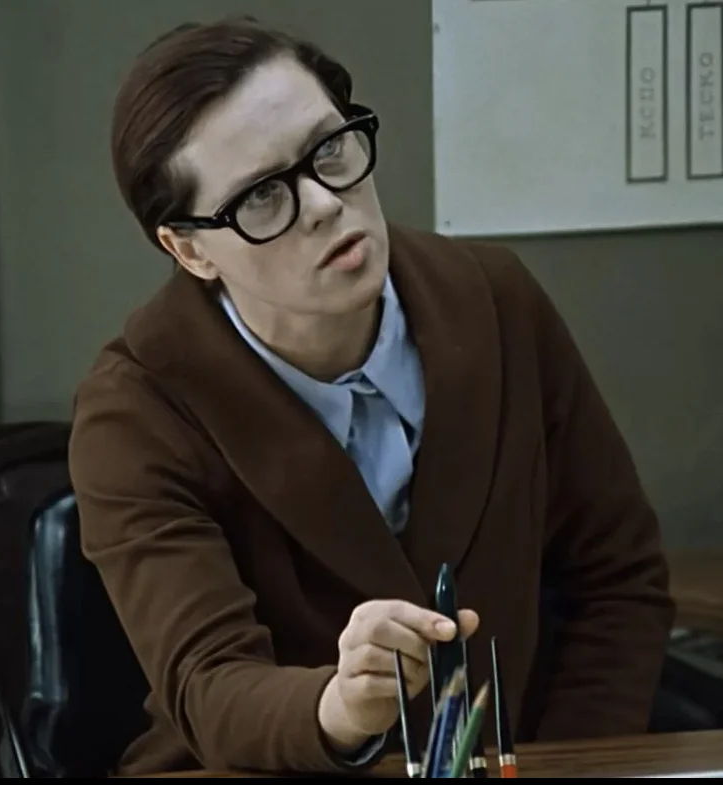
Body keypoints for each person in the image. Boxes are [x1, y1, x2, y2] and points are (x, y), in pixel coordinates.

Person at [69, 15, 675, 777]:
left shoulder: (496, 300)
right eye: (262, 196)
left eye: (329, 149)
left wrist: (571, 761)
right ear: (189, 248)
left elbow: (619, 580)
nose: (325, 202)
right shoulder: (136, 409)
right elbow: (207, 683)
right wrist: (341, 706)